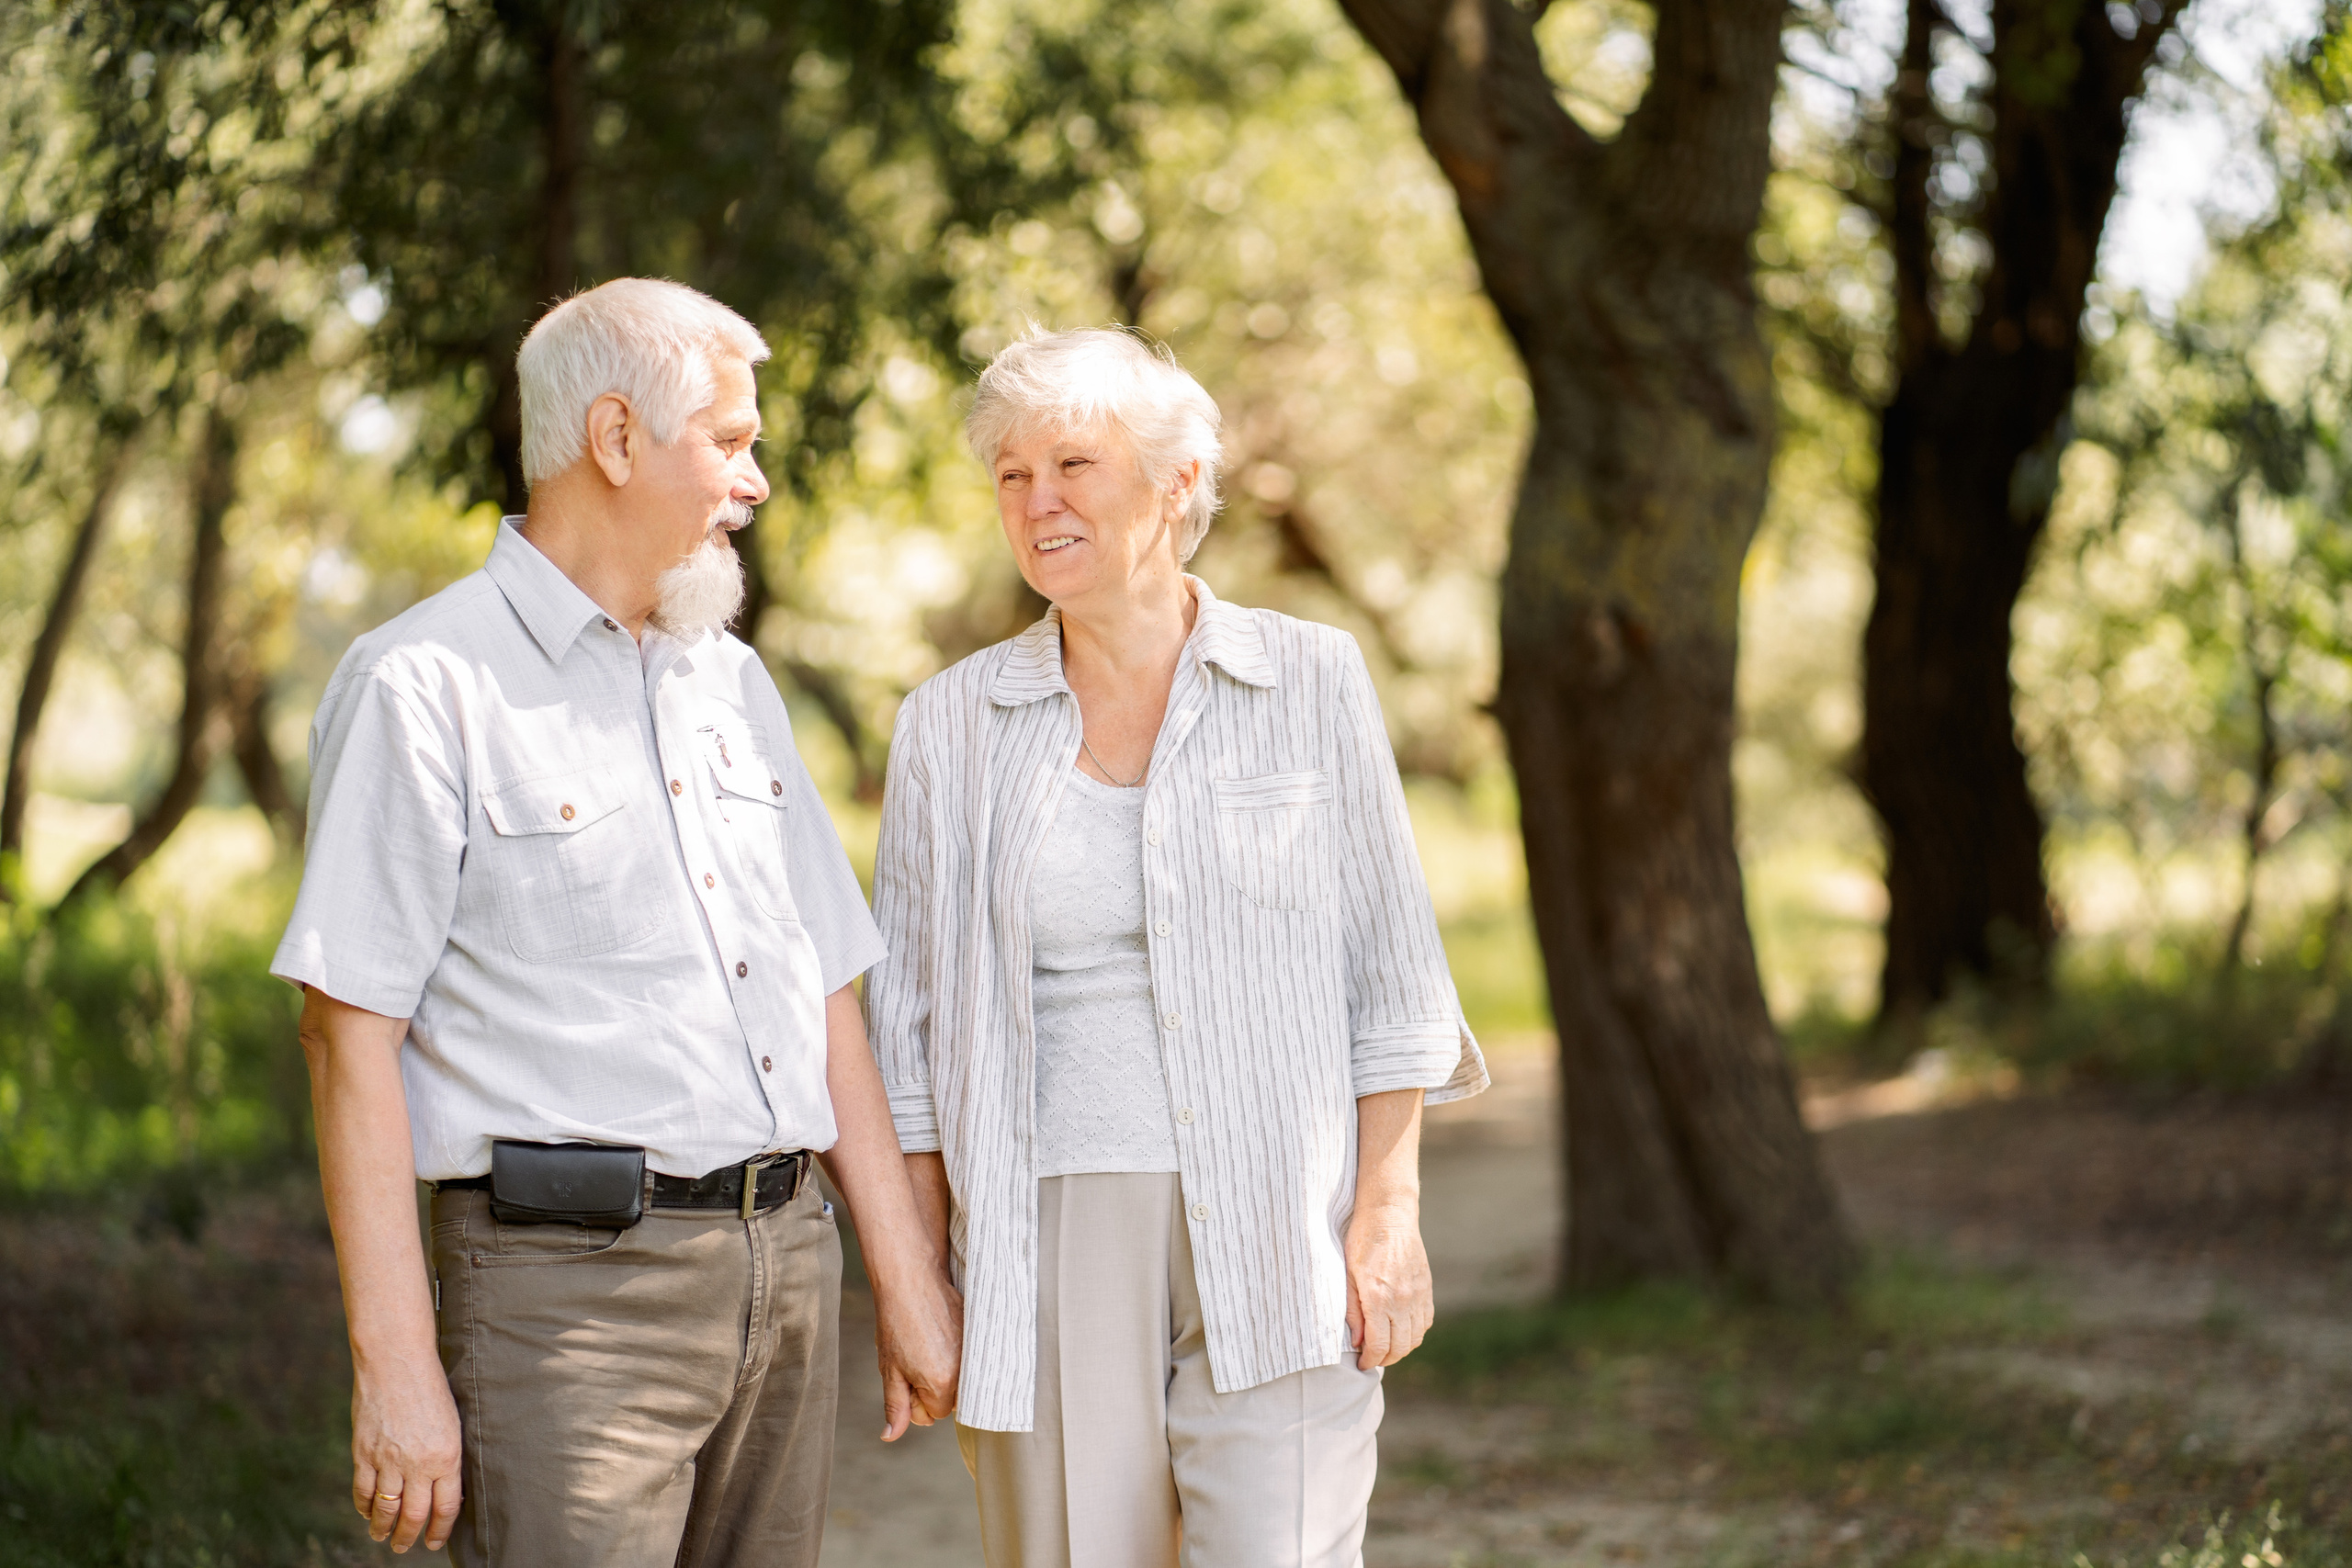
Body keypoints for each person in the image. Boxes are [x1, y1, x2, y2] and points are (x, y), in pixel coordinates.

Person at [273, 277, 960, 1567]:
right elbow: (344, 1036)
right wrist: (397, 1366)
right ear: (617, 438)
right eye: (730, 440)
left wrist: (906, 1276)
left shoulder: (732, 682)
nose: (755, 482)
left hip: (784, 1278)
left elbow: (825, 993)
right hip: (565, 1311)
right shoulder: (423, 685)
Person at [865, 326, 1487, 1568]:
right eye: (1012, 475)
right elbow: (910, 1046)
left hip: (1282, 1222)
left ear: (1177, 482)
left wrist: (1388, 1215)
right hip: (1048, 1231)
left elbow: (1393, 977)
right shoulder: (949, 726)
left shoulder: (1310, 679)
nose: (1037, 502)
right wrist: (918, 1280)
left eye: (1073, 465)